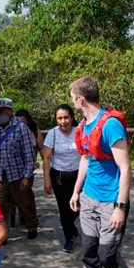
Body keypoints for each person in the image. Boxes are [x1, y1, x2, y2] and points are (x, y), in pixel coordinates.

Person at [68, 77, 131, 268]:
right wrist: (76, 191)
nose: (73, 103)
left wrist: (120, 207)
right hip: (89, 200)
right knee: (89, 253)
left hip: (110, 202)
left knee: (107, 255)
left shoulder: (111, 125)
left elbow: (125, 168)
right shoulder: (83, 126)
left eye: (73, 99)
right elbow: (85, 159)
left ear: (80, 99)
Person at [0, 97, 40, 240]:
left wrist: (27, 176)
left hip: (17, 174)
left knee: (25, 203)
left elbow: (29, 153)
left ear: (10, 111)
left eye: (1, 111)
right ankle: (2, 234)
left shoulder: (21, 128)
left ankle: (32, 226)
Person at [42, 104, 82, 253]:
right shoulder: (53, 134)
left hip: (78, 175)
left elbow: (87, 155)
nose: (63, 121)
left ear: (71, 117)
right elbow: (46, 158)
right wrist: (47, 180)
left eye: (66, 117)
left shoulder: (80, 132)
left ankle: (70, 223)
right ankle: (68, 239)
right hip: (59, 176)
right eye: (59, 118)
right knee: (64, 209)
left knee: (78, 206)